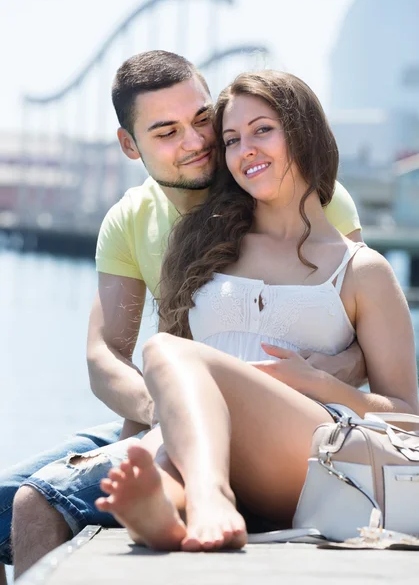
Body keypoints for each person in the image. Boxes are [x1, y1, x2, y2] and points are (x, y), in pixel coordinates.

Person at [5, 52, 366, 581]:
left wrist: (303, 381)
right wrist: (173, 409)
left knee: (36, 506)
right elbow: (105, 354)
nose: (196, 142)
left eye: (202, 119)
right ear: (130, 145)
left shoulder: (300, 196)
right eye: (166, 132)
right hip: (165, 416)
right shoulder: (130, 220)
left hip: (283, 430)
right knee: (4, 501)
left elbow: (365, 338)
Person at [96, 69, 419, 552]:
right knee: (168, 403)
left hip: (313, 453)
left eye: (262, 130)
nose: (244, 148)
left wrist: (321, 384)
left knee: (166, 350)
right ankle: (163, 507)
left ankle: (207, 495)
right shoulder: (200, 247)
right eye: (230, 139)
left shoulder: (361, 269)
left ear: (303, 131)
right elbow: (170, 383)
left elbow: (409, 415)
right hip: (209, 444)